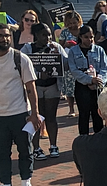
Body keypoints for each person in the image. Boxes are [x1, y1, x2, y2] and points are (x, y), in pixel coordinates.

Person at [0, 23, 42, 186]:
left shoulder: (21, 58)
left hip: (21, 113)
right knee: (1, 153)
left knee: (26, 151)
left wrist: (34, 113)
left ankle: (26, 180)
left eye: (7, 35)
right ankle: (5, 182)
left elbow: (31, 88)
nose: (4, 38)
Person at [19, 23, 66, 161]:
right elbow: (21, 66)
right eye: (44, 35)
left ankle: (53, 145)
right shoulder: (28, 48)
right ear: (36, 35)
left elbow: (67, 66)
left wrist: (58, 56)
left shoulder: (56, 47)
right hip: (35, 87)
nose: (48, 38)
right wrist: (39, 75)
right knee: (36, 116)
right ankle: (36, 148)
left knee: (51, 117)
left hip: (52, 86)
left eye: (49, 35)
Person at [67, 26, 107, 136]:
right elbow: (74, 70)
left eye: (91, 37)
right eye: (86, 37)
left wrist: (98, 81)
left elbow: (105, 68)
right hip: (82, 86)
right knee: (84, 114)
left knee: (97, 114)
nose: (89, 40)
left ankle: (99, 138)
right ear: (80, 37)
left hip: (97, 87)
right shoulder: (73, 51)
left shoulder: (99, 50)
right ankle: (83, 139)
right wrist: (89, 80)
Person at [58, 11, 83, 117]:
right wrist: (66, 45)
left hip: (82, 60)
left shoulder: (83, 30)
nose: (72, 25)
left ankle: (82, 107)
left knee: (82, 85)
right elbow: (59, 47)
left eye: (74, 22)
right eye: (70, 23)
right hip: (69, 62)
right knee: (69, 86)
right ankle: (71, 109)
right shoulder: (65, 32)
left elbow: (91, 42)